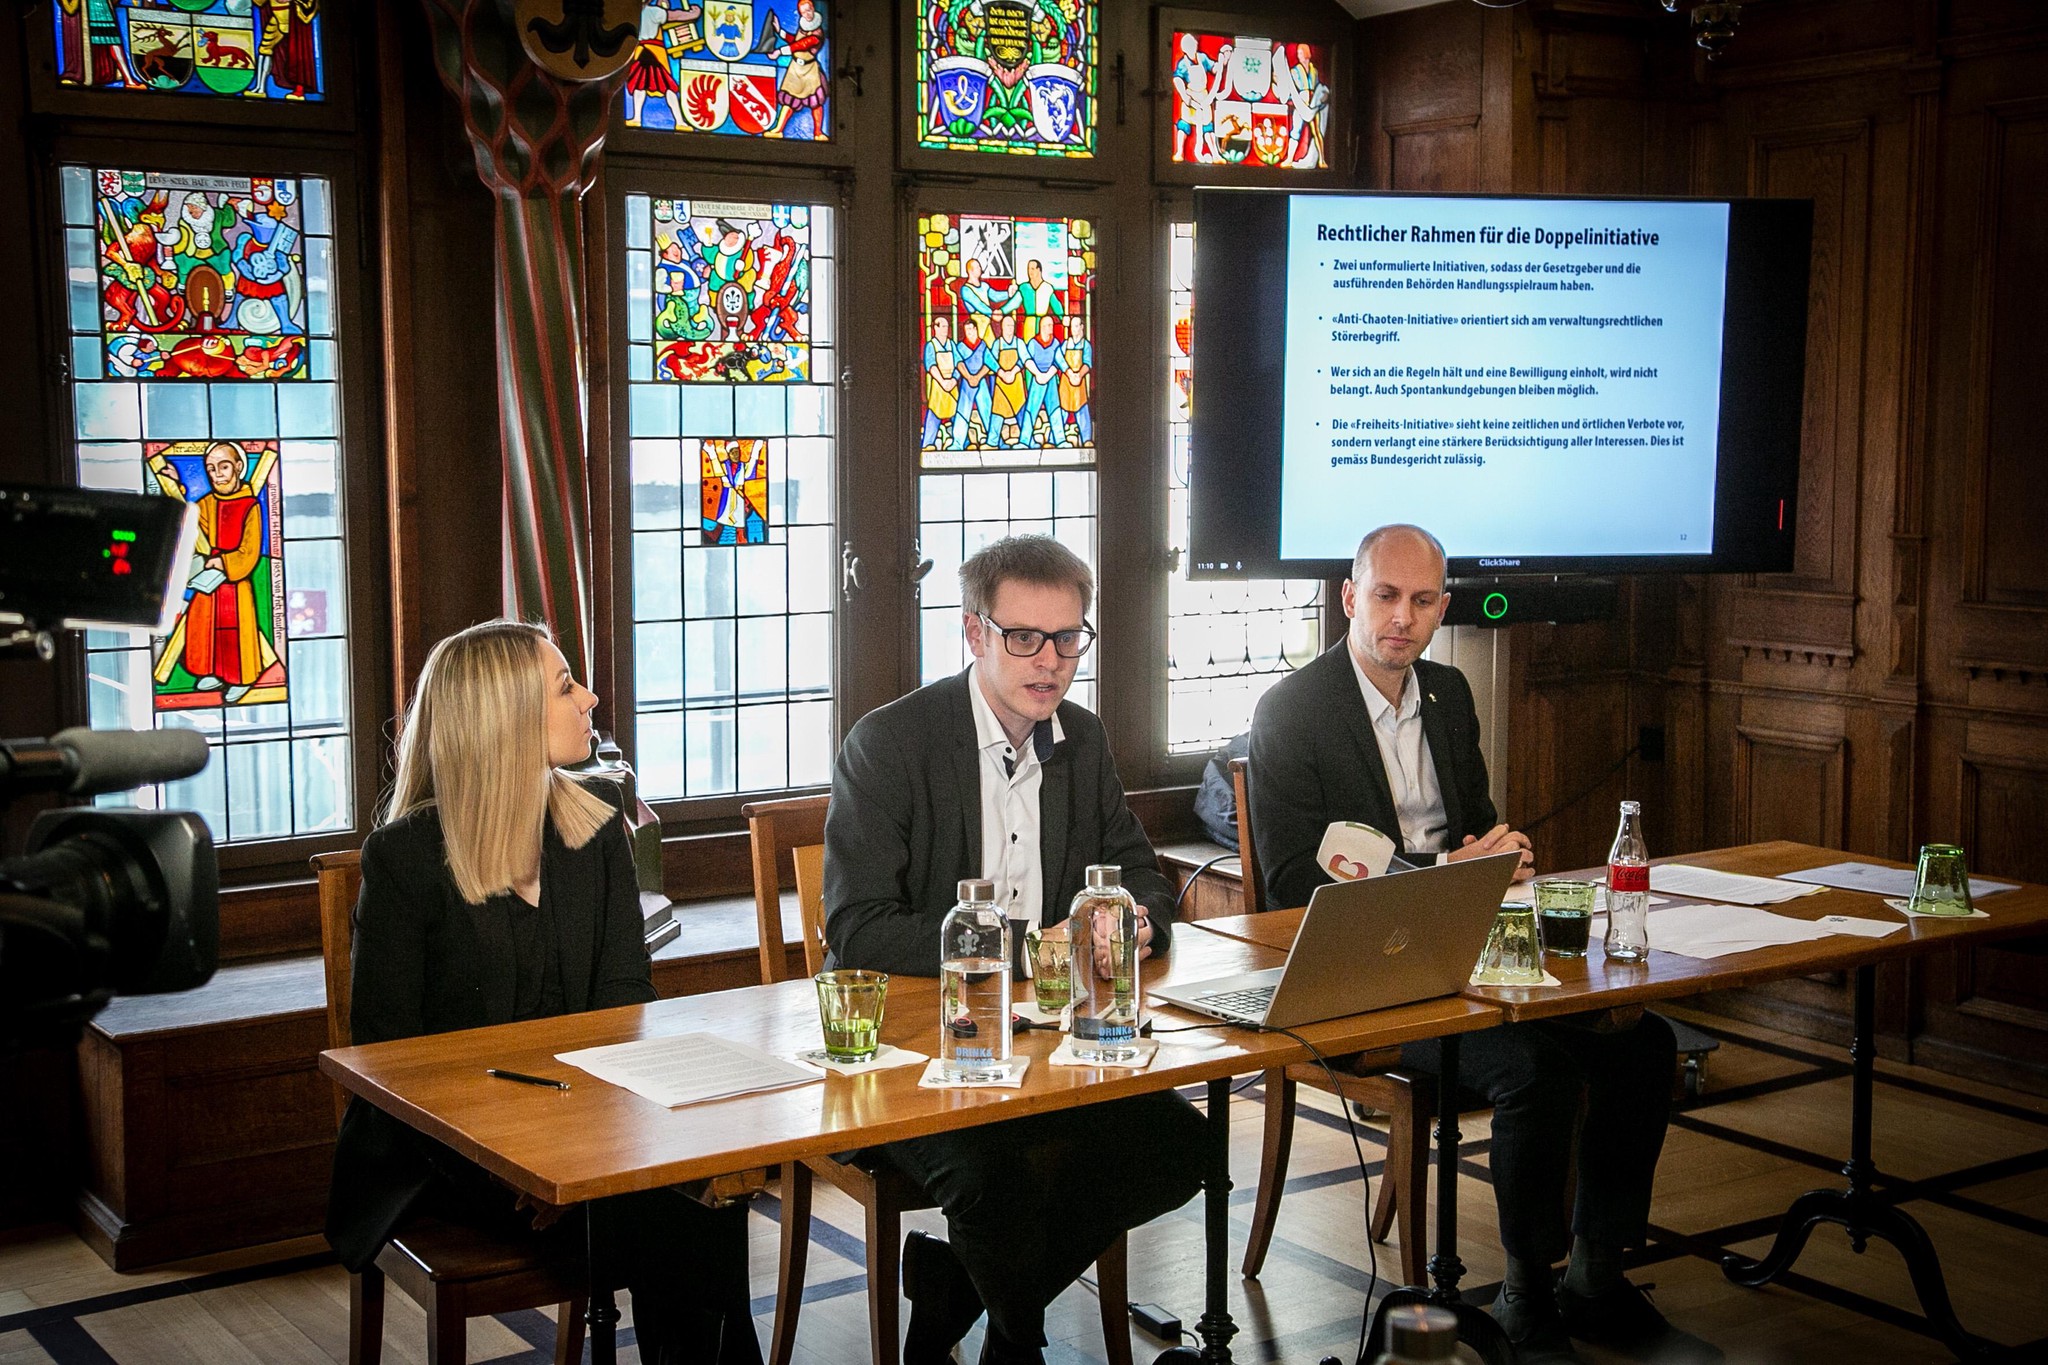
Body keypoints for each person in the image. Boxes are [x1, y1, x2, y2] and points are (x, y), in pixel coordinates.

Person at [1247, 525, 1718, 1365]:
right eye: (1386, 596)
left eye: (1423, 601)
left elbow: (1476, 826)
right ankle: (1526, 1294)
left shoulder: (1451, 693)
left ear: (1443, 608)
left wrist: (1502, 859)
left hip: (1470, 948)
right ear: (1350, 598)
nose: (1403, 617)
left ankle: (1596, 1279)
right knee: (1536, 1073)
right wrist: (1445, 866)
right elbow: (1292, 886)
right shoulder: (1293, 710)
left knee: (1643, 1045)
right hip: (1362, 975)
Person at [326, 620, 762, 1365]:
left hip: (584, 1140)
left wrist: (579, 1157)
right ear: (504, 716)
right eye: (566, 686)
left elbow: (628, 1012)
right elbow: (397, 1067)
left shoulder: (596, 832)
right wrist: (522, 1167)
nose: (590, 697)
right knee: (687, 1219)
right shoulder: (403, 858)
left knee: (706, 1192)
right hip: (441, 1158)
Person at [823, 537, 1207, 1365]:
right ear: (974, 634)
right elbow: (856, 927)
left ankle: (961, 1289)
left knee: (1183, 1145)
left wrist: (1137, 918)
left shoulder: (1084, 738)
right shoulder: (890, 744)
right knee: (992, 1175)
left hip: (1053, 1047)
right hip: (913, 1053)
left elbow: (1142, 868)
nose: (1051, 661)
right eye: (1024, 637)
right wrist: (1029, 949)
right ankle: (1017, 1347)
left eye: (1070, 637)